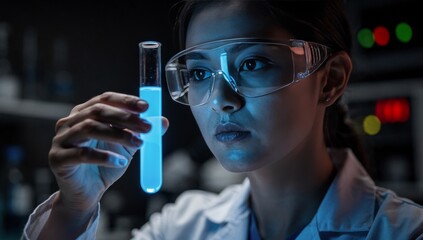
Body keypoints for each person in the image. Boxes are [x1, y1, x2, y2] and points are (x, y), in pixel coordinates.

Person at [22, 0, 423, 239]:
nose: (222, 100)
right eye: (198, 74)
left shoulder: (404, 233)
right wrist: (74, 208)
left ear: (330, 80)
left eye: (252, 63)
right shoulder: (180, 229)